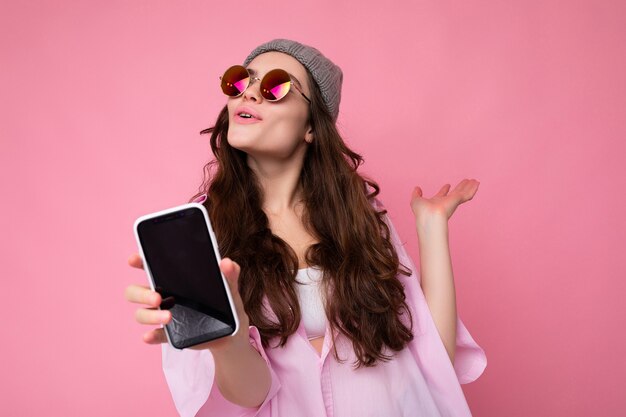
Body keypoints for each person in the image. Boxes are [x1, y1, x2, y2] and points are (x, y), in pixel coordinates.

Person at [125, 39, 487, 417]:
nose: (249, 92)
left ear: (311, 126)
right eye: (238, 81)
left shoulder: (357, 214)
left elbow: (430, 362)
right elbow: (250, 395)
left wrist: (432, 228)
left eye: (275, 86)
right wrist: (229, 341)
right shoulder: (202, 235)